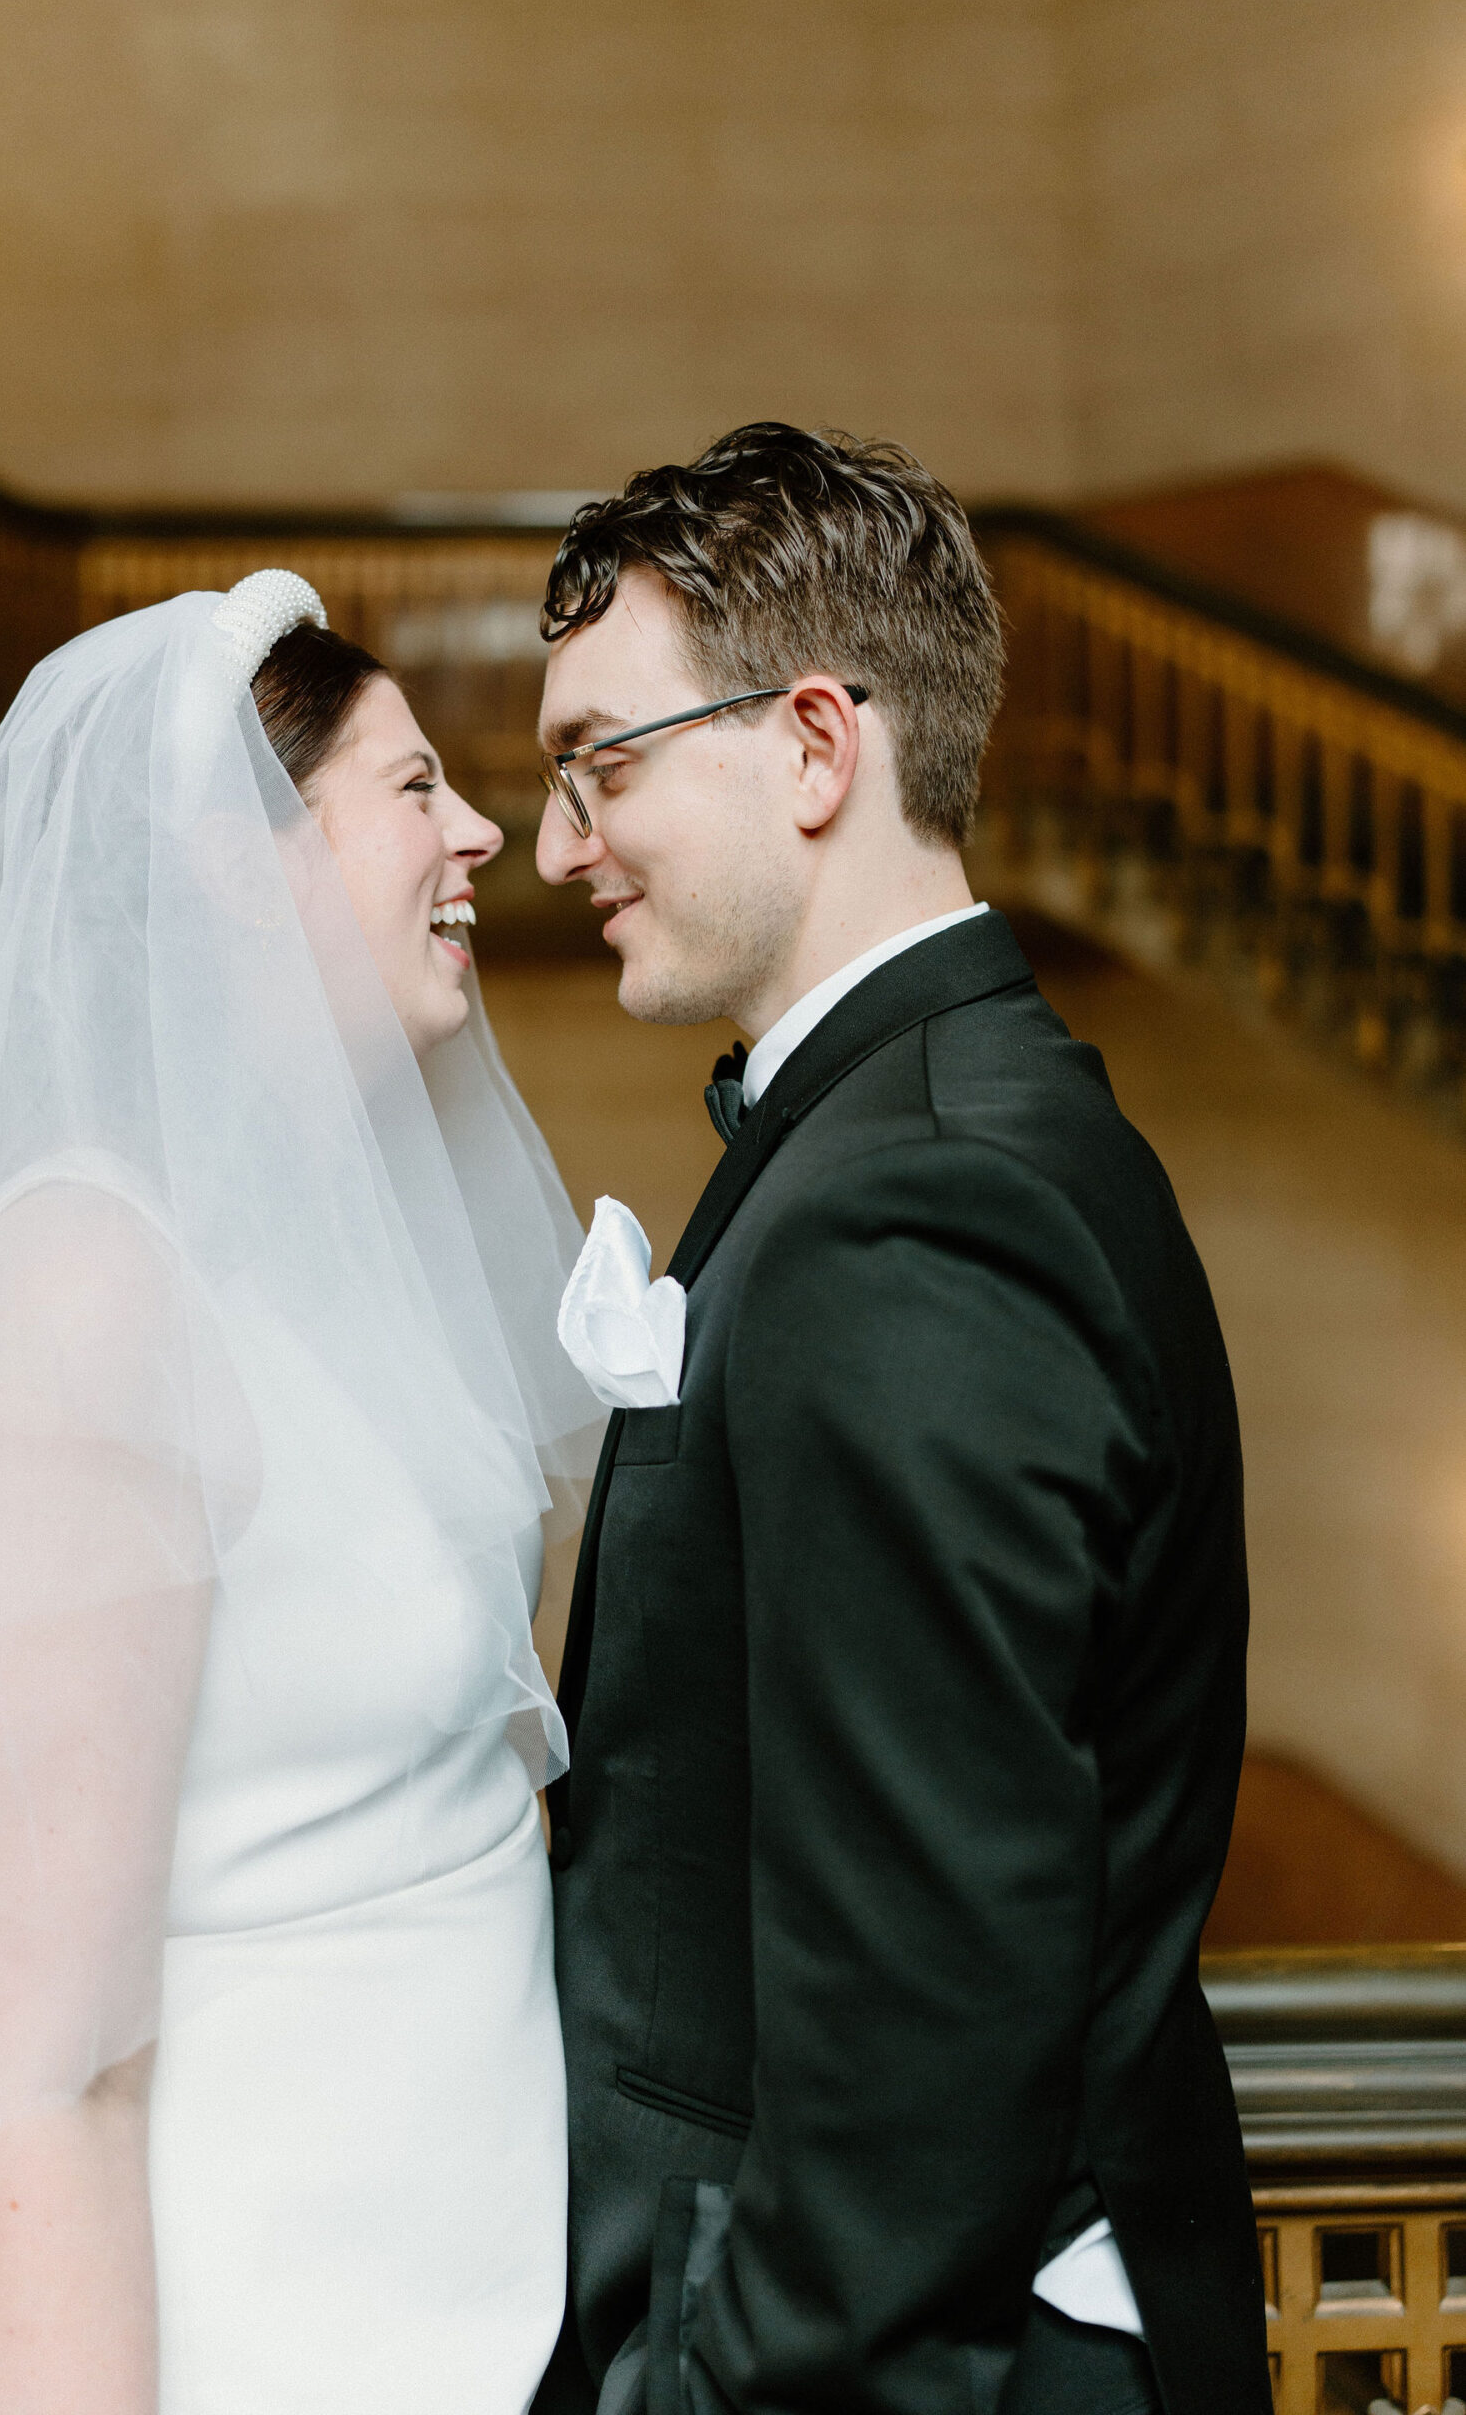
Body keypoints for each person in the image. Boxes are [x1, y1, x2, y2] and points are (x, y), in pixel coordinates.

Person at [0, 570, 603, 2415]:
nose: (481, 835)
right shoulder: (74, 1296)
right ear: (235, 863)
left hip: (440, 2343)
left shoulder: (320, 1262)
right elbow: (43, 2080)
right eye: (406, 791)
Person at [531, 426, 1270, 2414]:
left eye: (601, 761)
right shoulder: (942, 1117)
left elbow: (924, 1985)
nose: (555, 843)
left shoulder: (908, 1200)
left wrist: (737, 2383)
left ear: (808, 745)